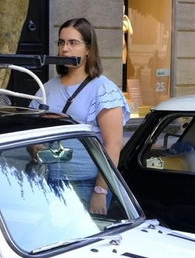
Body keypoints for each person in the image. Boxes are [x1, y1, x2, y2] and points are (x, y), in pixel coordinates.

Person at [44, 18, 131, 213]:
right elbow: (32, 133)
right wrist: (36, 148)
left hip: (87, 183)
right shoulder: (48, 88)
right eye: (61, 42)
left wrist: (101, 190)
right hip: (51, 182)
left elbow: (113, 144)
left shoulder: (103, 89)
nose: (65, 49)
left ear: (89, 49)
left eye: (73, 43)